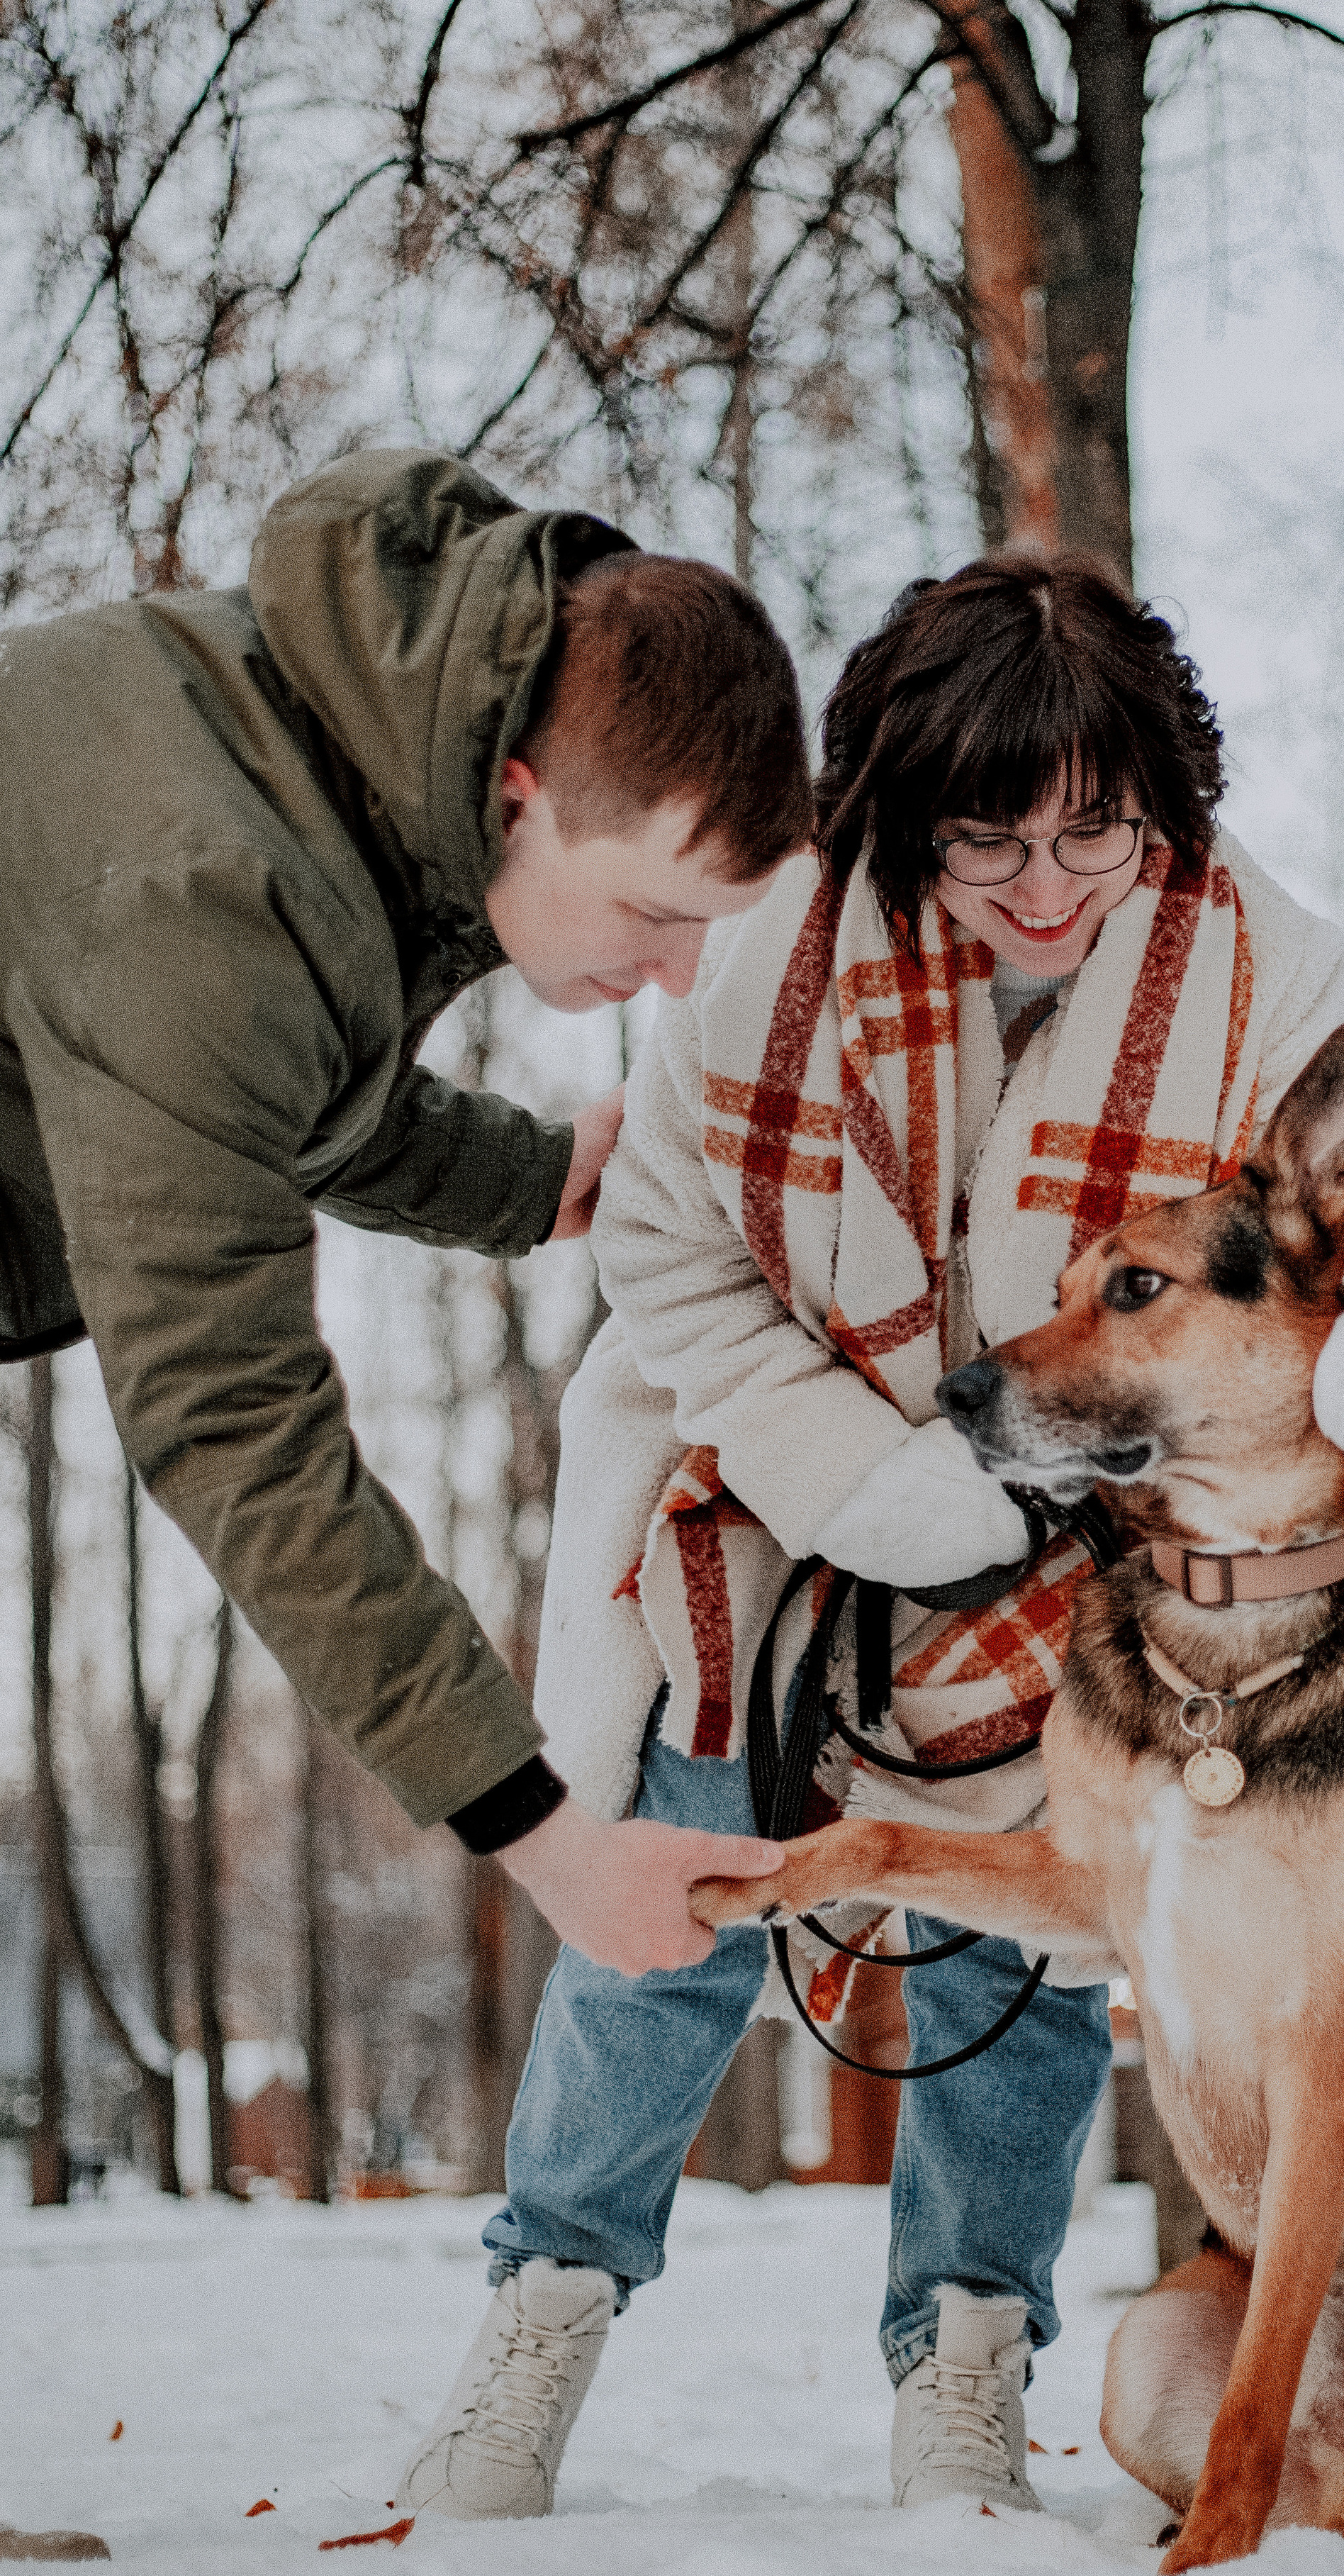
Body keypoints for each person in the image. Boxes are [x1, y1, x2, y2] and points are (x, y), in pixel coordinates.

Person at [398, 557, 1344, 2524]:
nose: (1052, 888)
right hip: (767, 1477)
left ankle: (966, 2358)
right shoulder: (771, 944)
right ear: (900, 824)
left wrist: (1120, 1473)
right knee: (674, 1895)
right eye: (991, 845)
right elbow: (656, 1243)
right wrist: (878, 1488)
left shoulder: (1267, 977)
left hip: (1085, 1530)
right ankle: (540, 2323)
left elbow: (1305, 1296)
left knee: (1044, 1944)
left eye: (1099, 834)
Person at [0, 447, 805, 1956]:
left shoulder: (327, 745)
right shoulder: (208, 892)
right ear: (522, 794)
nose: (677, 973)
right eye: (653, 912)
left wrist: (530, 1178)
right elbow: (233, 1421)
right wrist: (547, 1841)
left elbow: (280, 1077)